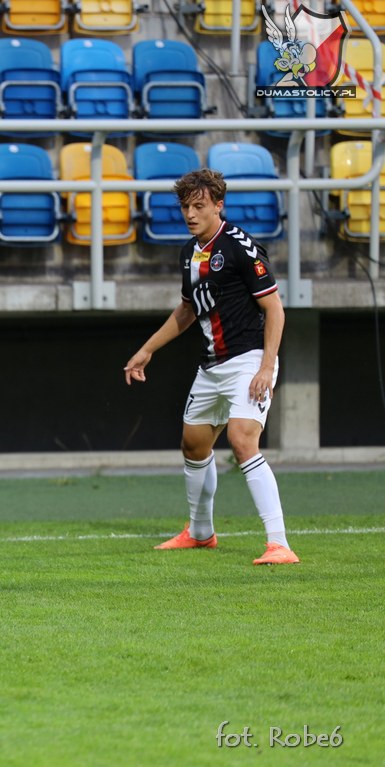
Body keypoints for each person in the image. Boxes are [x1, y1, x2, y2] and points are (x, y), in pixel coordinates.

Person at [123, 169, 298, 565]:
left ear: (219, 205)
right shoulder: (189, 253)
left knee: (242, 440)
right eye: (185, 206)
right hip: (212, 366)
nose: (190, 214)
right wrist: (147, 350)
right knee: (194, 444)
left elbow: (275, 309)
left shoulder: (240, 246)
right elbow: (188, 310)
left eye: (199, 206)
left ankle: (279, 544)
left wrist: (266, 366)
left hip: (249, 358)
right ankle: (201, 532)